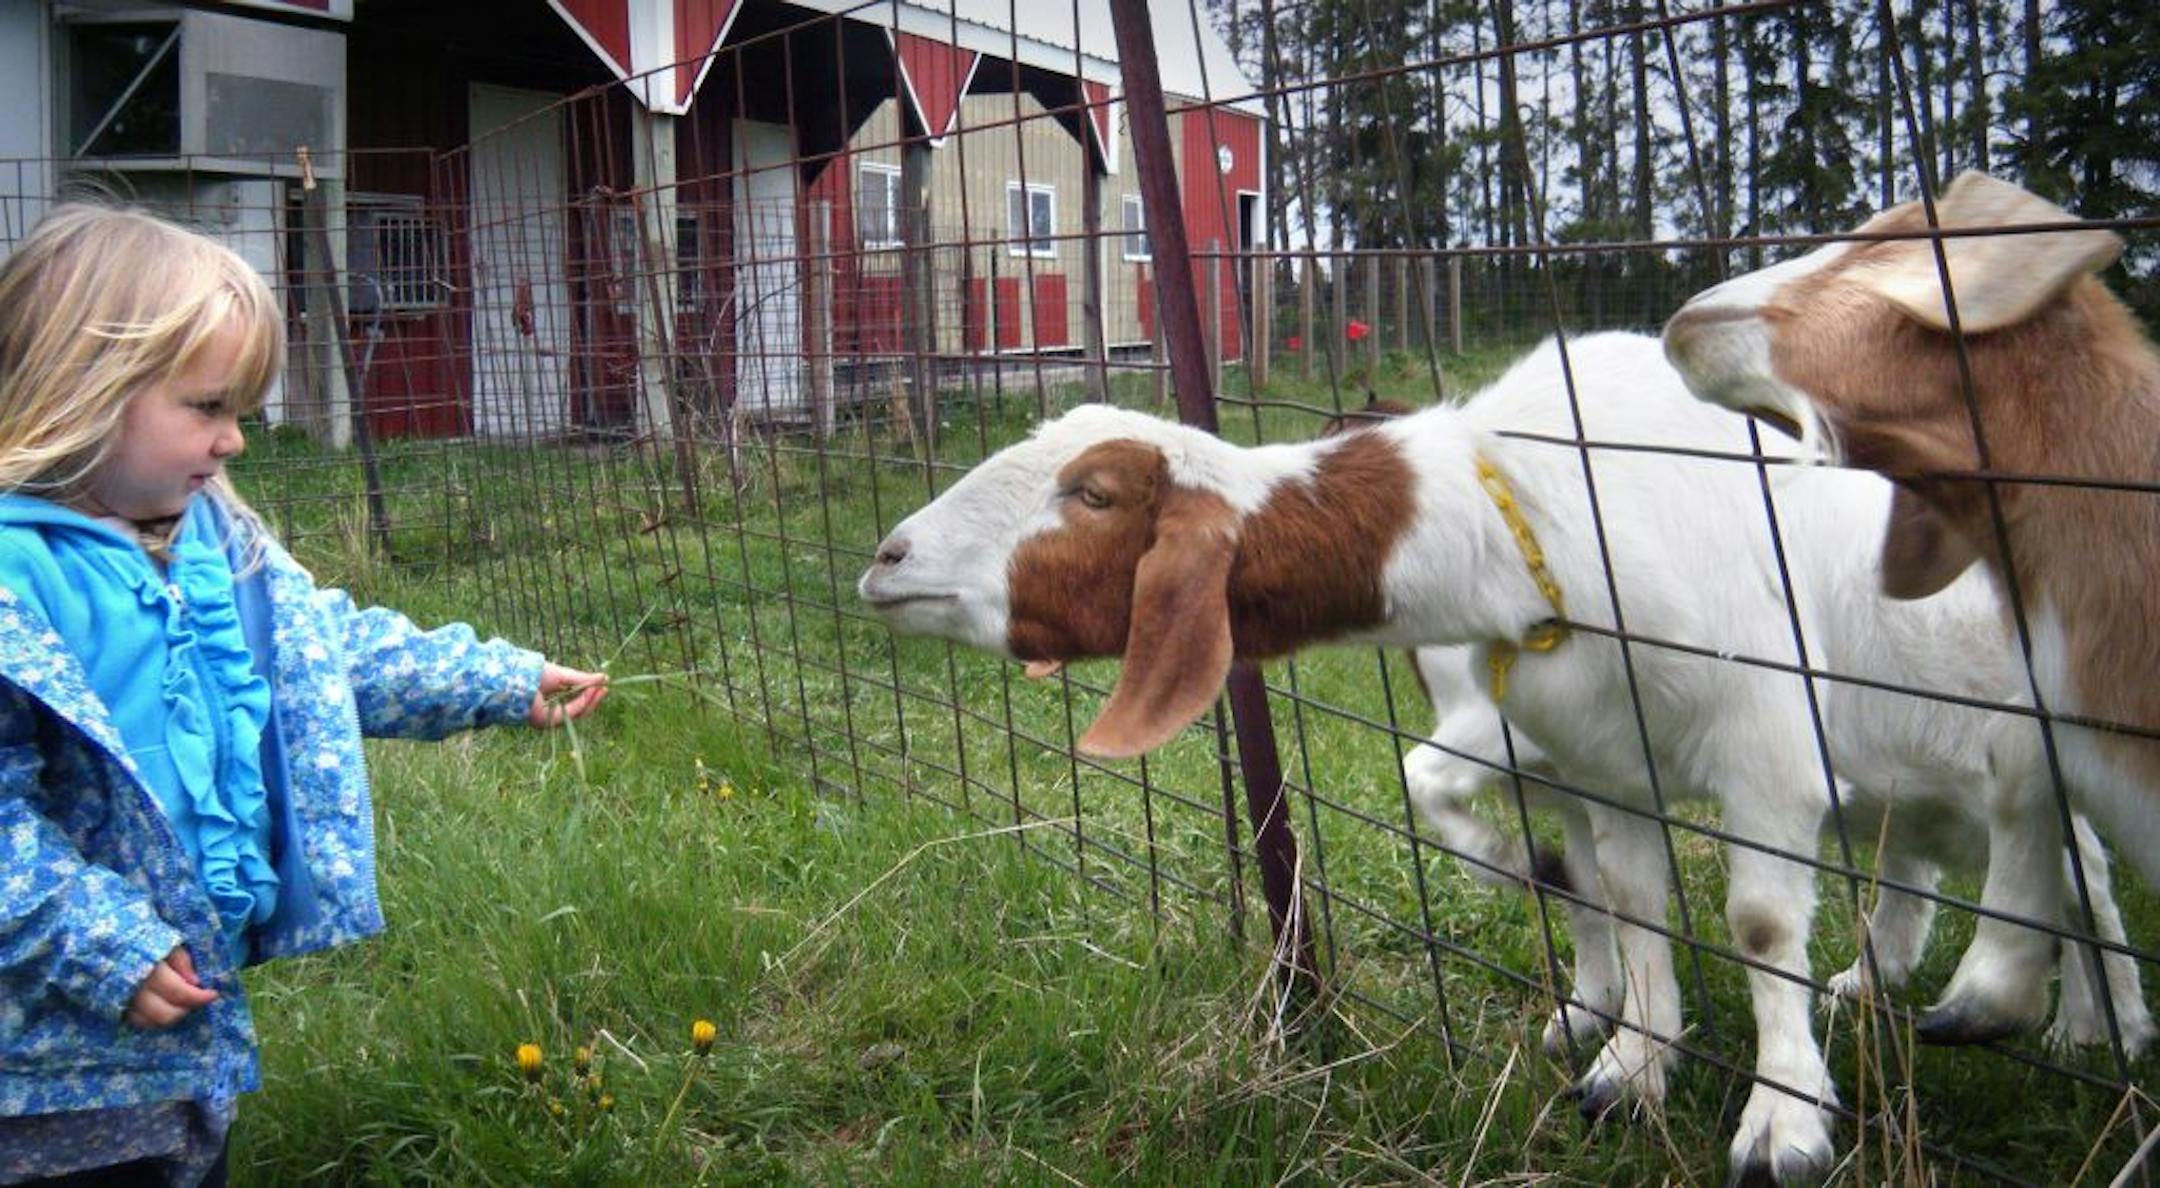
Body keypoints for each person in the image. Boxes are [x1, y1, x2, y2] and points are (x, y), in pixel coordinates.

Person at [0, 204, 608, 1186]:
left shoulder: (210, 543)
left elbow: (326, 650)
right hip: (40, 1064)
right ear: (82, 389)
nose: (236, 439)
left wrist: (493, 681)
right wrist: (96, 943)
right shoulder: (15, 581)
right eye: (207, 405)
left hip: (183, 1014)